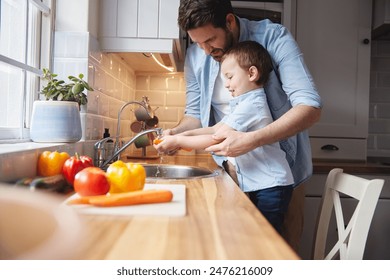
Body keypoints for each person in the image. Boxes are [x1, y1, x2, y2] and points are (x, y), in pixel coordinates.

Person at [156, 0, 322, 250]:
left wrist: (252, 140)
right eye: (198, 43)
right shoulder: (196, 55)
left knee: (276, 252)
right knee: (236, 250)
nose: (204, 50)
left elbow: (309, 107)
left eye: (210, 40)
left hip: (278, 175)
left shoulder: (273, 37)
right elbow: (197, 115)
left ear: (230, 22)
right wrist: (176, 133)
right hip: (232, 172)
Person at [155, 41, 295, 233]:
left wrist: (178, 141)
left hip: (272, 186)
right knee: (254, 236)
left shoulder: (252, 105)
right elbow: (215, 129)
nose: (227, 84)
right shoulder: (241, 103)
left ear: (252, 73)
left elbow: (217, 138)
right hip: (261, 184)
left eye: (229, 77)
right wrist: (180, 133)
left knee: (265, 238)